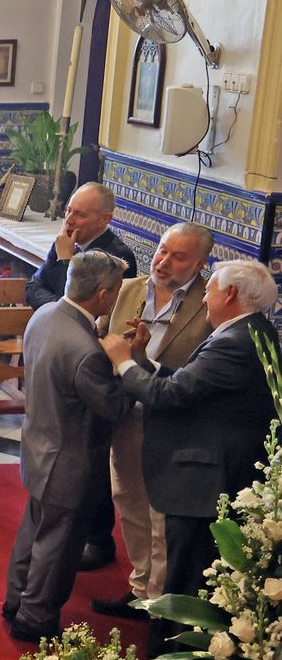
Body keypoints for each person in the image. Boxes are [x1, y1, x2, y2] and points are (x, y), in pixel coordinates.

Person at [101, 259, 279, 660]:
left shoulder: (234, 343)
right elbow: (190, 382)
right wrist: (144, 359)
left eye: (210, 289)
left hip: (208, 480)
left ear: (230, 294)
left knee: (187, 576)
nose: (204, 298)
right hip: (230, 470)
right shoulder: (255, 332)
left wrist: (122, 362)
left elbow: (169, 396)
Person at [4, 251, 133, 642]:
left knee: (33, 530)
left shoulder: (44, 317)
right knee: (57, 547)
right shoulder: (86, 349)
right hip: (70, 461)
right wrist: (131, 362)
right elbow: (114, 407)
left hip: (39, 446)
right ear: (104, 294)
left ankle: (15, 600)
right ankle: (35, 618)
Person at [92, 223, 214, 621]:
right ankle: (140, 586)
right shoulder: (128, 289)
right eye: (162, 250)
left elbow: (202, 372)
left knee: (161, 516)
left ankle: (161, 601)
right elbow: (101, 342)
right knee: (129, 502)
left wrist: (142, 362)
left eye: (178, 256)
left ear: (199, 263)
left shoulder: (208, 303)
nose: (163, 261)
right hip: (128, 420)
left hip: (175, 426)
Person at [25, 182, 138, 572]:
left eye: (79, 214)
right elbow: (33, 289)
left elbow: (69, 300)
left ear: (105, 219)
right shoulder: (65, 244)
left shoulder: (118, 259)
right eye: (70, 210)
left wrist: (61, 273)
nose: (69, 219)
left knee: (90, 456)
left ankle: (96, 537)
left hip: (91, 362)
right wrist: (60, 308)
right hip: (62, 354)